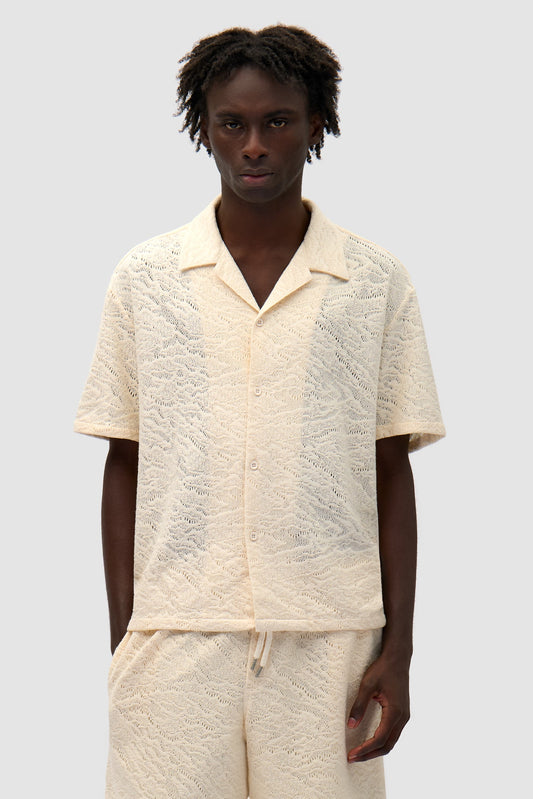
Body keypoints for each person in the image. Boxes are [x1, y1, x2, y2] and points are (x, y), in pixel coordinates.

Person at [74, 24, 445, 798]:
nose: (252, 145)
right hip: (176, 636)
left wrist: (398, 650)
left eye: (276, 121)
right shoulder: (146, 278)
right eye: (231, 123)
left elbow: (389, 468)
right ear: (202, 128)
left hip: (329, 637)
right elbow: (125, 458)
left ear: (315, 124)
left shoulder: (374, 282)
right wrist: (126, 637)